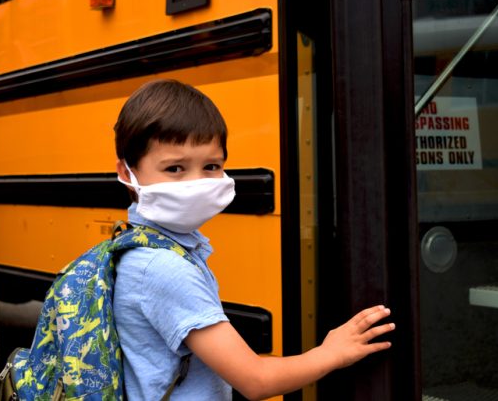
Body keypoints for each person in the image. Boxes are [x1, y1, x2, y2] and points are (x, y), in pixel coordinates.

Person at [113, 79, 395, 400]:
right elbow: (255, 380)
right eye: (175, 168)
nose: (196, 182)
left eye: (211, 166)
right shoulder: (163, 269)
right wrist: (331, 352)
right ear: (126, 173)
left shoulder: (137, 246)